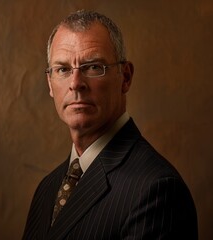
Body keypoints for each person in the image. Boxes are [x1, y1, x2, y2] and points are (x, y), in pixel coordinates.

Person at [22, 10, 198, 239]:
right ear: (49, 82)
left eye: (93, 67)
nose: (75, 83)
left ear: (125, 77)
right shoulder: (47, 188)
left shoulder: (157, 190)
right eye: (63, 69)